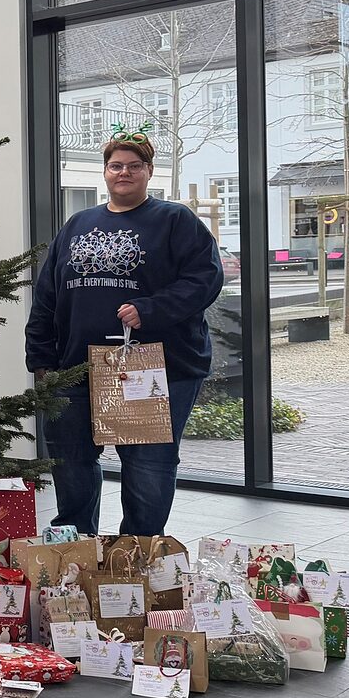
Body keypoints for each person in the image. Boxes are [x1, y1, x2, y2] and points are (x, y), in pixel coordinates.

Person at [25, 123, 223, 536]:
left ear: (150, 171)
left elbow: (204, 279)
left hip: (148, 368)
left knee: (147, 464)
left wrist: (150, 310)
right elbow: (47, 295)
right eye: (116, 165)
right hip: (75, 367)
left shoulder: (175, 220)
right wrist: (41, 357)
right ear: (105, 172)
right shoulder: (78, 223)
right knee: (71, 462)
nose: (124, 173)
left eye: (135, 165)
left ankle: (139, 552)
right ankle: (75, 547)